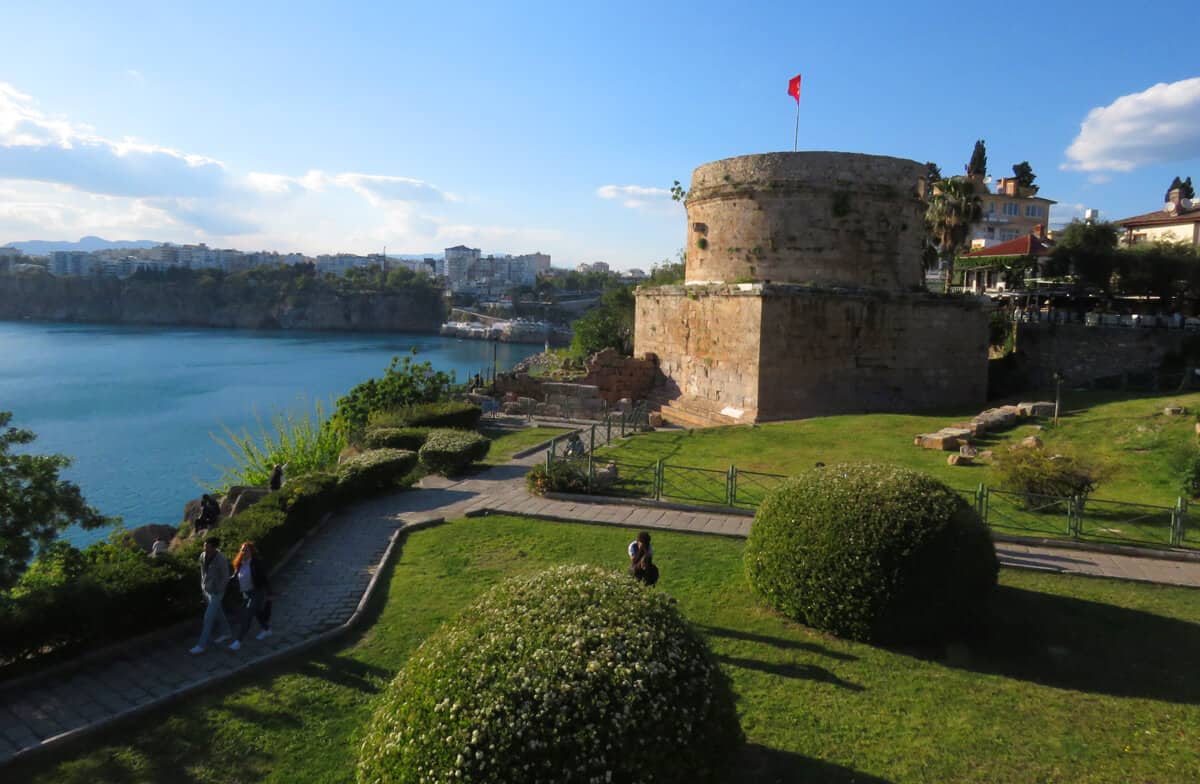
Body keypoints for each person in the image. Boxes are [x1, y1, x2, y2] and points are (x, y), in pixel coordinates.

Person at [190, 536, 232, 654]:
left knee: (208, 618)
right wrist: (203, 587)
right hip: (206, 590)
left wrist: (218, 590)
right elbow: (203, 572)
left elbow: (225, 577)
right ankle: (227, 632)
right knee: (218, 612)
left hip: (217, 592)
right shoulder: (203, 556)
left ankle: (201, 645)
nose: (204, 548)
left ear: (214, 547)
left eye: (207, 546)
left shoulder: (221, 559)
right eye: (204, 545)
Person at [228, 541, 273, 651]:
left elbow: (264, 578)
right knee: (257, 613)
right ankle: (267, 630)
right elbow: (235, 577)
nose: (243, 552)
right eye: (242, 549)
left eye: (246, 550)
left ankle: (238, 641)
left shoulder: (256, 563)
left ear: (251, 552)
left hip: (257, 592)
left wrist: (270, 593)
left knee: (247, 615)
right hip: (246, 593)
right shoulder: (239, 563)